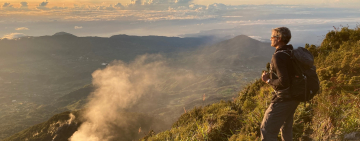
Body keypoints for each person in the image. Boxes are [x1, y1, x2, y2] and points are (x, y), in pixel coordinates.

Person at [260, 27, 300, 141]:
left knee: (266, 130)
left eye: (272, 36)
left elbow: (284, 81)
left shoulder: (279, 56)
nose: (270, 39)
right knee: (286, 129)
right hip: (294, 97)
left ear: (279, 39)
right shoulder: (290, 52)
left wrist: (267, 80)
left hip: (284, 99)